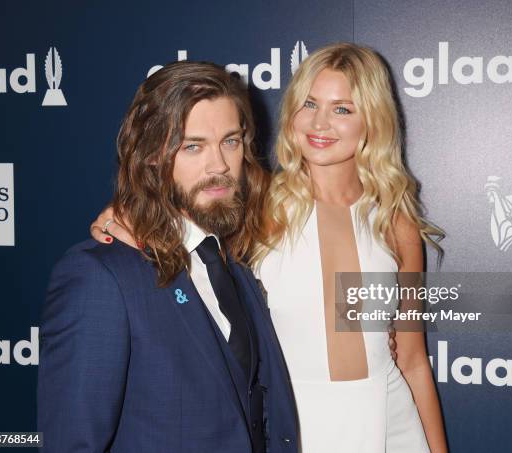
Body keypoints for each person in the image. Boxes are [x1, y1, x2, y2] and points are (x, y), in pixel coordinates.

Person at [92, 44, 445, 452]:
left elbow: (413, 359)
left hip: (390, 422)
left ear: (373, 120)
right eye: (309, 104)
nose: (320, 123)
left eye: (342, 109)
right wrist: (120, 212)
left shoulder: (394, 221)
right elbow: (177, 208)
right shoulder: (261, 207)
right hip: (293, 422)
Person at [38, 62, 298, 453]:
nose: (220, 166)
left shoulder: (234, 262)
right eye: (193, 146)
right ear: (152, 156)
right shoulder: (100, 277)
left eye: (230, 141)